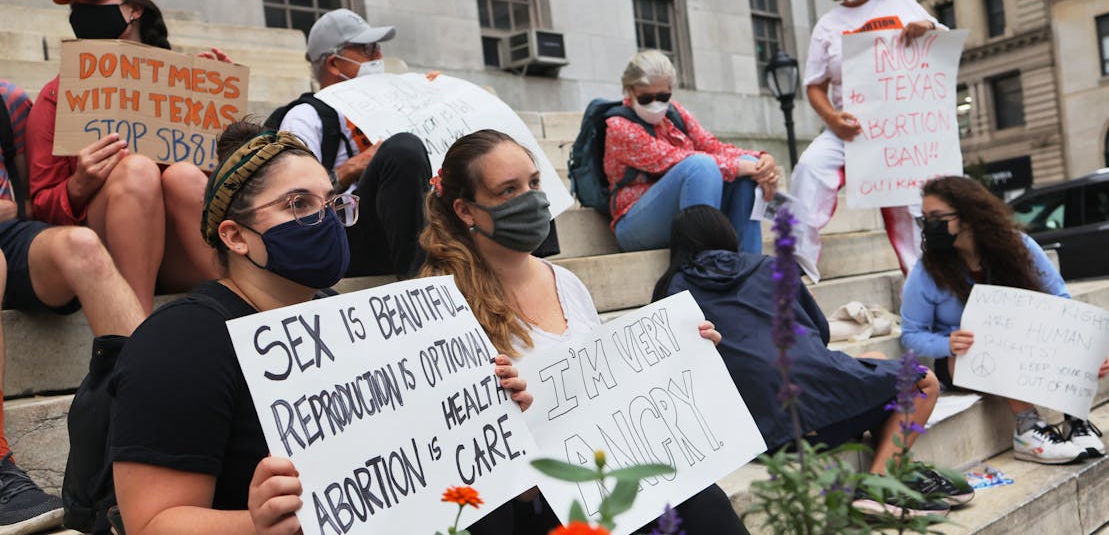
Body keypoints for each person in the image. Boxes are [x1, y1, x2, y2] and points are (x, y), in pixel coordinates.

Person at [110, 122, 531, 535]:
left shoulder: (343, 316)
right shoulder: (181, 344)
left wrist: (486, 408)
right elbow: (150, 522)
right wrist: (252, 525)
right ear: (236, 237)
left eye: (331, 203)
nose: (326, 220)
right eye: (298, 204)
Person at [412, 129, 747, 534]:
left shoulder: (566, 281)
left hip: (611, 472)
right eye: (508, 191)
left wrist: (687, 355)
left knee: (703, 499)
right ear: (466, 211)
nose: (532, 199)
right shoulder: (445, 307)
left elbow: (611, 388)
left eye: (534, 183)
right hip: (538, 505)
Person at [653, 205, 969, 517]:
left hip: (755, 430)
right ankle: (879, 485)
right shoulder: (768, 266)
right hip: (805, 417)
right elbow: (821, 334)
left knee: (873, 358)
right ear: (726, 233)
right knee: (922, 381)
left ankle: (894, 467)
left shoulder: (669, 289)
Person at [25, 0, 227, 312]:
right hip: (105, 251)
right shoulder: (57, 96)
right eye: (76, 5)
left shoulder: (186, 87)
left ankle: (241, 308)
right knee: (136, 169)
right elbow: (39, 204)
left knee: (183, 175)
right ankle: (135, 329)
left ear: (134, 9)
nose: (81, 11)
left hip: (180, 253)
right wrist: (79, 186)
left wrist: (217, 117)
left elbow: (216, 188)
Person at [0, 79, 146, 534]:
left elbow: (26, 204)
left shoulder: (8, 100)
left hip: (10, 235)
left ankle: (160, 425)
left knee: (83, 245)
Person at [901, 176, 1108, 463]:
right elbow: (911, 334)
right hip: (962, 359)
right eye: (924, 218)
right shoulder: (926, 271)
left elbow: (1060, 299)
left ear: (969, 216)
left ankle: (1076, 422)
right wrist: (946, 342)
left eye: (937, 217)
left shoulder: (1017, 246)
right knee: (998, 347)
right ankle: (1027, 428)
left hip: (1024, 344)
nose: (928, 226)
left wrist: (1088, 355)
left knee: (1075, 340)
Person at [790, 0, 947, 283]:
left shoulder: (901, 4)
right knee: (809, 169)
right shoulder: (827, 24)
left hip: (902, 134)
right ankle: (798, 268)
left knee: (910, 209)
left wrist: (927, 28)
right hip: (848, 131)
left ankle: (925, 288)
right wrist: (832, 118)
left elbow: (944, 49)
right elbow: (814, 85)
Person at [273, 8, 433, 278]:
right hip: (343, 240)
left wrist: (436, 101)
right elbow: (293, 203)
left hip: (403, 227)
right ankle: (419, 283)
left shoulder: (393, 107)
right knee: (402, 150)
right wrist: (350, 169)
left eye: (378, 48)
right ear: (334, 64)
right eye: (368, 49)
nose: (379, 57)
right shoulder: (306, 117)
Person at [604, 50, 778, 253]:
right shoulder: (619, 127)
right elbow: (677, 159)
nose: (655, 104)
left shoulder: (675, 114)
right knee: (700, 166)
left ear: (671, 89)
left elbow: (713, 146)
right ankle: (704, 265)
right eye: (646, 98)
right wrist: (746, 166)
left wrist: (761, 160)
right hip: (635, 224)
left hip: (684, 209)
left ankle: (749, 266)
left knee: (745, 168)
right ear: (630, 91)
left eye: (662, 96)